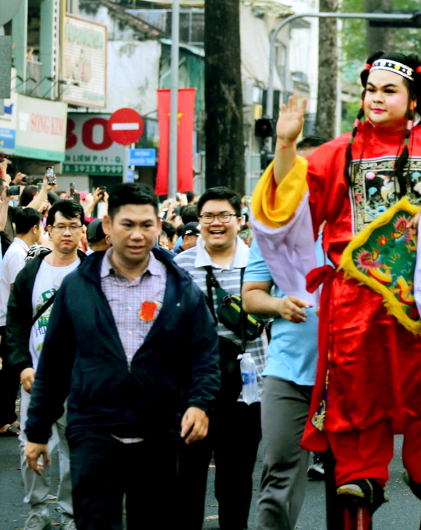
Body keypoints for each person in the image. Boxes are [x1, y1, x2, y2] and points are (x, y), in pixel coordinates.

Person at [250, 52, 421, 521]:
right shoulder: (340, 151)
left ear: (413, 99)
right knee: (358, 386)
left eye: (389, 91)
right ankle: (360, 471)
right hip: (356, 298)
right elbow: (291, 204)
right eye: (371, 90)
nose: (377, 99)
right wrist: (285, 145)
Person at [22, 182, 219, 530]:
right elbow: (54, 364)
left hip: (158, 432)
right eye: (127, 224)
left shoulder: (180, 287)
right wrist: (36, 431)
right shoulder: (79, 285)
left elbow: (204, 353)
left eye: (146, 225)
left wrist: (199, 403)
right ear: (109, 227)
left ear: (158, 227)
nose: (138, 234)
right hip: (94, 430)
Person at [243, 135, 331, 530]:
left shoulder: (359, 228)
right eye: (300, 171)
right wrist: (279, 305)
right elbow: (250, 296)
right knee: (279, 473)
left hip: (347, 373)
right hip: (289, 372)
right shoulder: (274, 231)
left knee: (353, 482)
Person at [175, 186, 264, 530]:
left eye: (224, 215)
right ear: (198, 222)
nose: (216, 222)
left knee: (237, 481)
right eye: (208, 216)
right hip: (192, 391)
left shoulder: (259, 264)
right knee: (188, 480)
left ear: (239, 221)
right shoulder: (180, 266)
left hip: (246, 392)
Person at [6, 200, 86, 530]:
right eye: (61, 226)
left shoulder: (92, 271)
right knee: (29, 446)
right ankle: (37, 509)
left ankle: (68, 513)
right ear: (48, 229)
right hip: (36, 380)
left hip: (78, 381)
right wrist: (23, 365)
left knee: (72, 451)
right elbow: (17, 323)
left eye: (73, 225)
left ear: (83, 229)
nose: (67, 232)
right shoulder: (31, 273)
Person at [0, 207, 43, 436]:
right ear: (35, 228)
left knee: (11, 373)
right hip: (10, 319)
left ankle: (7, 416)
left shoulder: (19, 249)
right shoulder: (18, 253)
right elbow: (18, 289)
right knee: (10, 372)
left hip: (10, 318)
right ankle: (3, 419)